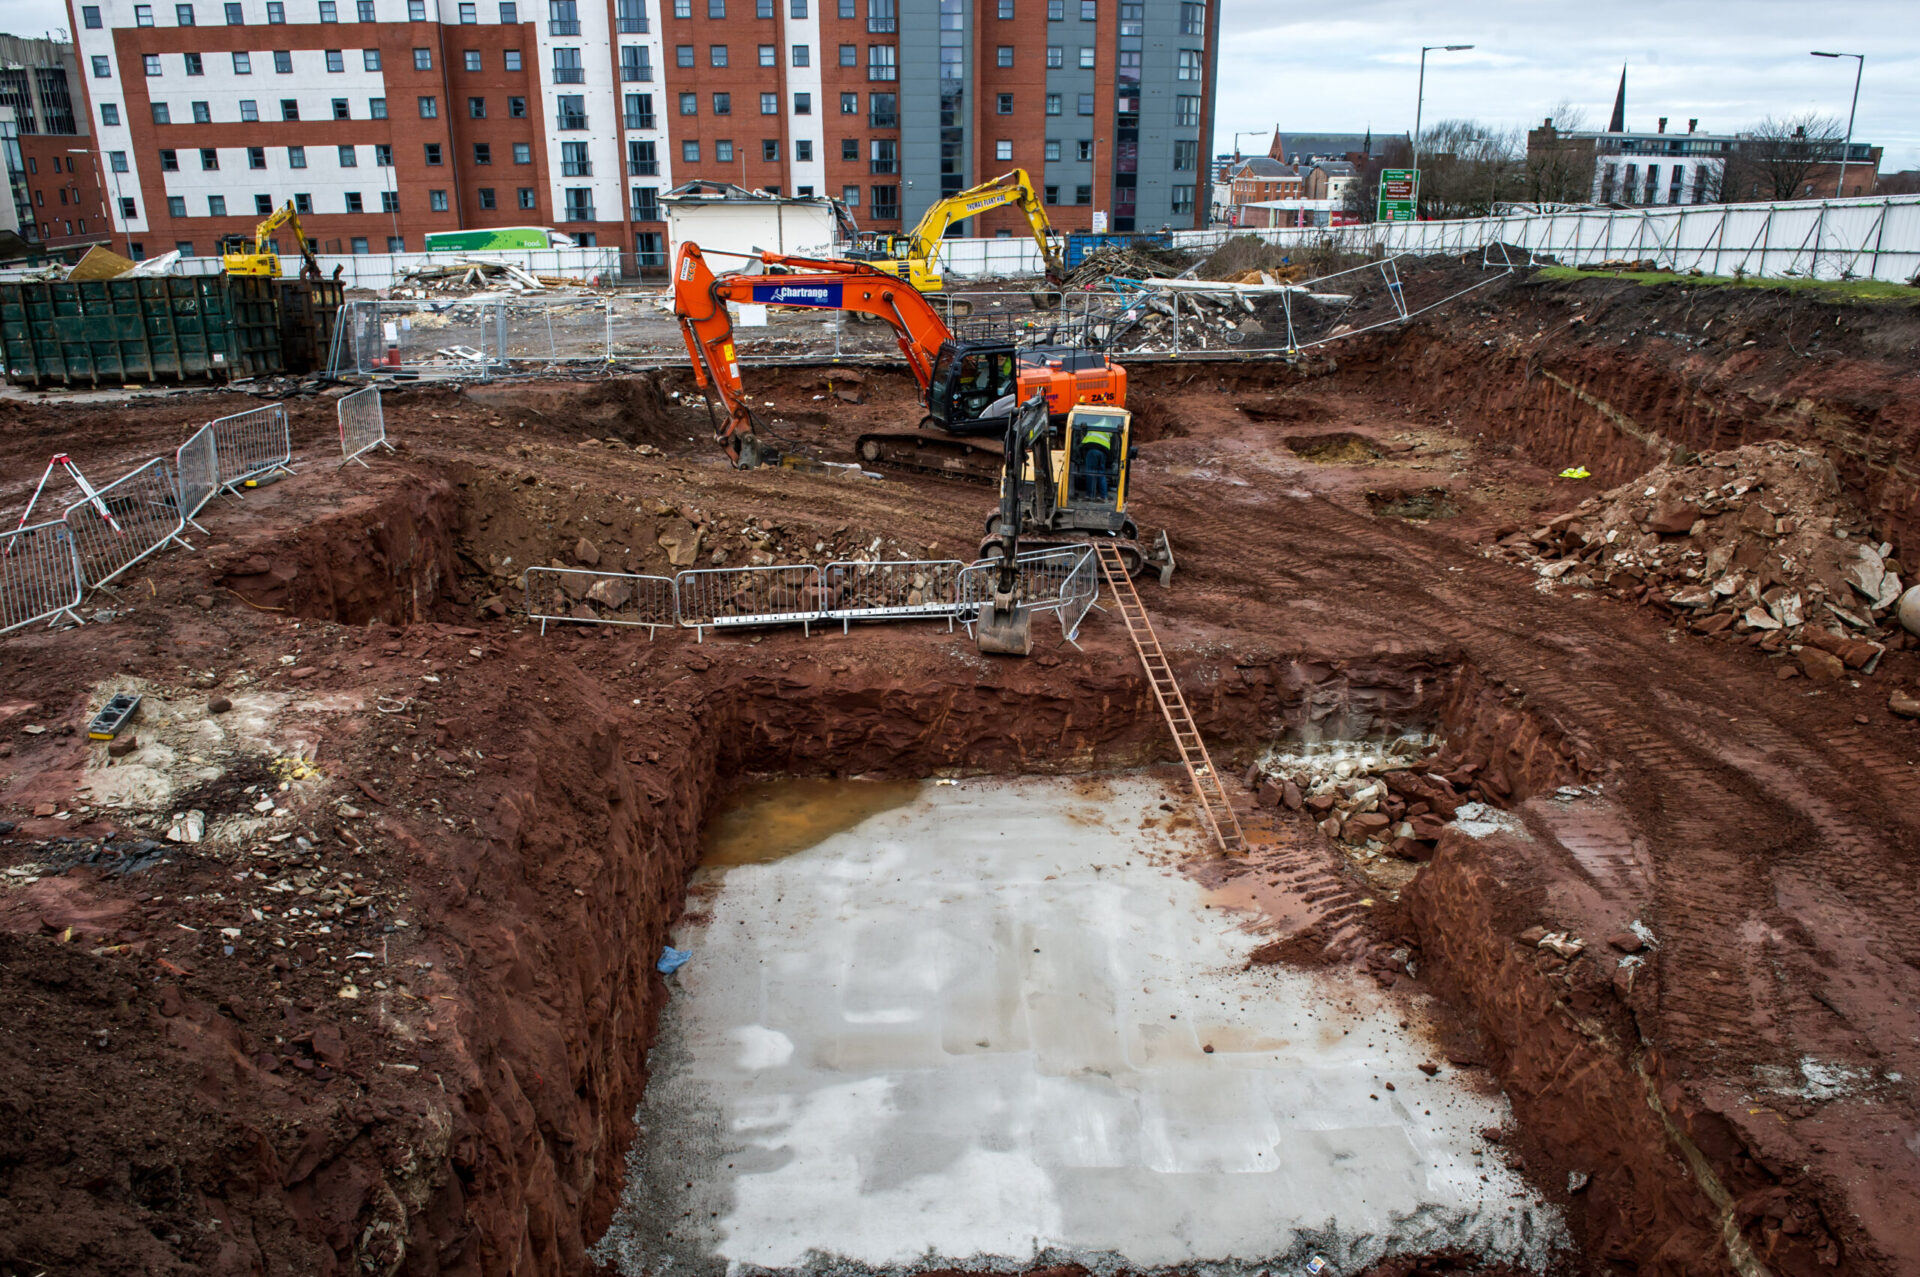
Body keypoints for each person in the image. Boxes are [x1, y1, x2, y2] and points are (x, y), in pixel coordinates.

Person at [1076, 419, 1116, 502]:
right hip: (1104, 451)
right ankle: (1103, 496)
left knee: (1091, 472)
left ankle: (1090, 495)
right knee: (1101, 473)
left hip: (1093, 449)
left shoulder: (1094, 421)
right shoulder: (1110, 423)